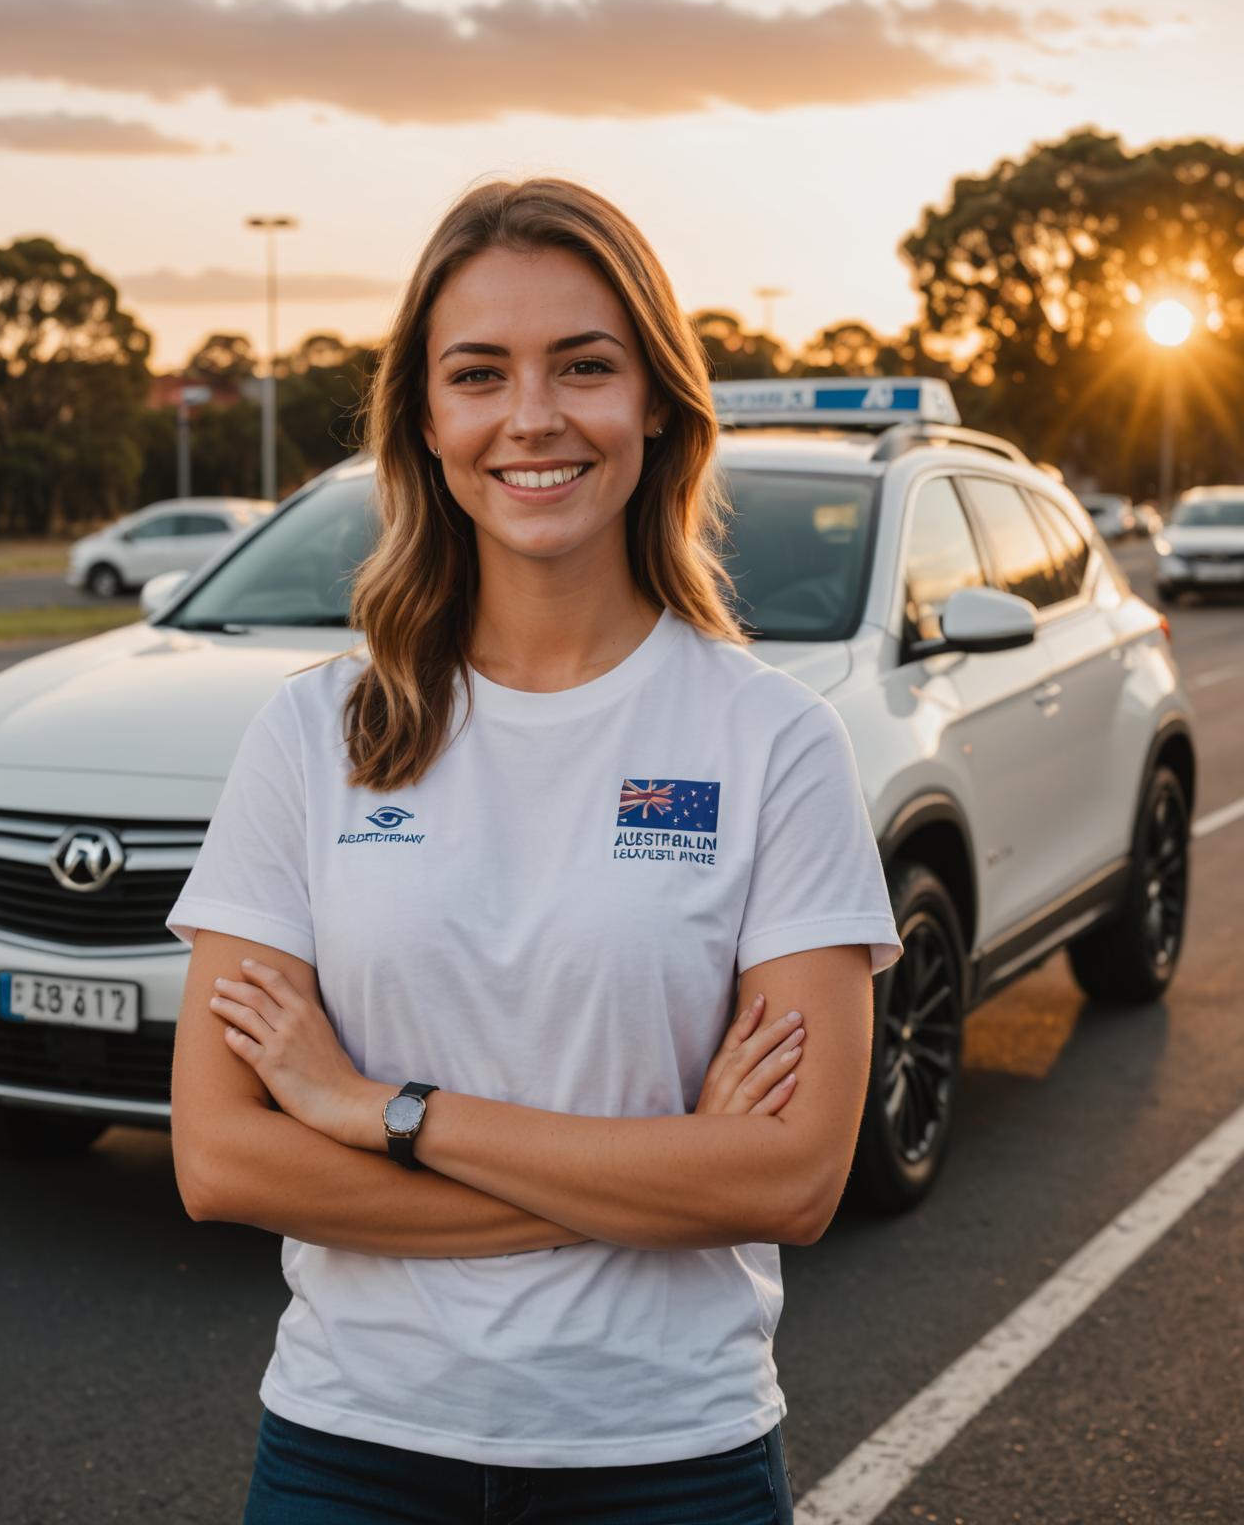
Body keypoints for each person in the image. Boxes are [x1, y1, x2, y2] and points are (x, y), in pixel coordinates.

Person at [166, 176, 904, 1525]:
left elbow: (793, 1176)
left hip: (667, 1460)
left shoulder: (775, 742)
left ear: (658, 405)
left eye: (583, 366)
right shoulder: (311, 735)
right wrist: (654, 1177)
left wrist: (384, 1114)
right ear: (428, 422)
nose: (534, 416)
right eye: (479, 373)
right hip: (350, 1452)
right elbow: (221, 1158)